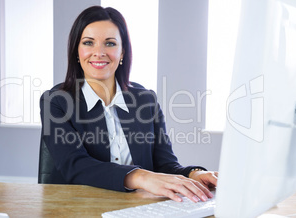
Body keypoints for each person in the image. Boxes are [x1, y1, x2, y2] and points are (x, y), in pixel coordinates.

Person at [40, 5, 218, 203]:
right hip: (78, 207)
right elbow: (75, 166)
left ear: (122, 52)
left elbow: (166, 165)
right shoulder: (55, 101)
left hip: (136, 207)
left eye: (110, 43)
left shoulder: (145, 100)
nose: (99, 52)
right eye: (89, 42)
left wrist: (192, 174)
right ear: (76, 51)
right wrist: (140, 176)